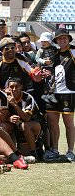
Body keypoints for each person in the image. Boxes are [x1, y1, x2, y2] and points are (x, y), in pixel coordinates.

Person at [47, 28, 75, 162]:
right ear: (56, 41)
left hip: (68, 93)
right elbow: (53, 72)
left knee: (68, 123)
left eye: (64, 37)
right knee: (53, 122)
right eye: (59, 38)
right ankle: (55, 150)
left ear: (69, 39)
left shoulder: (73, 51)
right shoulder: (55, 54)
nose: (62, 40)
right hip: (54, 92)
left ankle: (70, 151)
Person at [6, 78, 47, 161]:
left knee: (26, 125)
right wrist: (9, 118)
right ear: (8, 88)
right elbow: (4, 115)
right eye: (11, 87)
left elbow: (27, 118)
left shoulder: (27, 98)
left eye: (16, 86)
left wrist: (14, 104)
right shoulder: (5, 98)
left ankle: (34, 151)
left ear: (21, 87)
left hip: (35, 125)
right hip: (19, 128)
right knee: (25, 155)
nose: (14, 89)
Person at [35, 32, 58, 104]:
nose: (43, 43)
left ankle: (49, 94)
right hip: (45, 68)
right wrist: (44, 61)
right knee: (48, 80)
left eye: (45, 41)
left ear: (50, 41)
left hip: (53, 68)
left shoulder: (54, 48)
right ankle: (48, 94)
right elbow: (37, 58)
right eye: (42, 41)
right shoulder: (40, 50)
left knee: (53, 80)